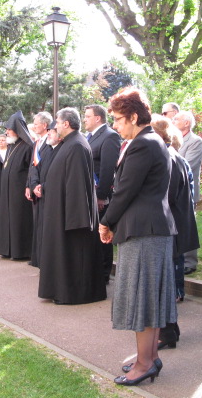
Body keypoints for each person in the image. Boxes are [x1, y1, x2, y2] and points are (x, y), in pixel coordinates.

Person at [99, 88, 177, 387]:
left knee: (144, 300)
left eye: (118, 119)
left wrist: (105, 223)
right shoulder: (147, 141)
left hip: (145, 232)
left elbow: (125, 191)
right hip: (149, 230)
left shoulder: (143, 144)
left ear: (133, 116)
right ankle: (149, 357)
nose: (115, 125)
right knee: (149, 300)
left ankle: (145, 363)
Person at [38, 108, 107, 304]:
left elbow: (77, 185)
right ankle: (59, 290)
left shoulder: (76, 145)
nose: (55, 126)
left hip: (70, 216)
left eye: (57, 123)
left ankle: (73, 292)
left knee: (74, 257)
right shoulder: (68, 144)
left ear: (66, 124)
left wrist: (75, 219)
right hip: (60, 211)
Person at [151, 114, 199, 348]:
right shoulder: (172, 156)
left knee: (164, 283)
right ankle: (169, 331)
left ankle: (167, 332)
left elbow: (165, 199)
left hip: (168, 229)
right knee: (165, 282)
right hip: (171, 228)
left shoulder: (168, 158)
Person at [84, 104, 121, 282]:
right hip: (89, 194)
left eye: (87, 116)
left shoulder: (110, 136)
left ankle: (104, 274)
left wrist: (102, 196)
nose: (84, 119)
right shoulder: (89, 137)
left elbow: (107, 169)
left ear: (97, 118)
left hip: (101, 196)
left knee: (103, 235)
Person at [0, 111, 34, 259]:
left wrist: (27, 186)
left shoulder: (28, 146)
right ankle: (7, 249)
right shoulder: (12, 145)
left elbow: (31, 169)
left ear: (18, 129)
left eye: (9, 129)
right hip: (7, 191)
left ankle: (20, 251)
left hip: (19, 192)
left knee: (19, 220)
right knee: (7, 220)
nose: (7, 132)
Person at [172, 110, 202, 274]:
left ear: (186, 123)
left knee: (188, 224)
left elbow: (188, 166)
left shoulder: (195, 141)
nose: (173, 120)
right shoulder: (172, 140)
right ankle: (178, 258)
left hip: (188, 191)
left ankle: (190, 262)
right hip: (174, 190)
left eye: (176, 119)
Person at [31, 121, 62, 268]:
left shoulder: (62, 150)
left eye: (52, 131)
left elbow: (57, 176)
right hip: (42, 193)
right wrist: (34, 185)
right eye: (48, 130)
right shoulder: (47, 149)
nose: (49, 133)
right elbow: (37, 168)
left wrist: (42, 186)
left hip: (53, 196)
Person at [25, 111, 53, 266]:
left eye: (36, 124)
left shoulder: (51, 142)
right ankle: (36, 257)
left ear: (45, 125)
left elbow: (47, 166)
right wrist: (30, 185)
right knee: (37, 223)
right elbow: (32, 166)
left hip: (45, 188)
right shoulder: (37, 143)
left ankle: (44, 259)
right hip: (35, 187)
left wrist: (40, 185)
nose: (34, 126)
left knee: (44, 225)